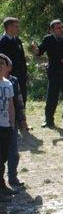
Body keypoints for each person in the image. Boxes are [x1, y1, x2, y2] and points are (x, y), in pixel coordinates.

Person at [30, 19, 63, 128]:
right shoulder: (48, 39)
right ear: (52, 30)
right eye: (58, 28)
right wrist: (35, 49)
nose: (61, 30)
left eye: (62, 27)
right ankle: (48, 120)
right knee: (52, 96)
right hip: (53, 72)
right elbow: (39, 52)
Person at [4, 56, 28, 188]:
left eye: (3, 64)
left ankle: (12, 177)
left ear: (9, 67)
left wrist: (23, 120)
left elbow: (18, 102)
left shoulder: (13, 81)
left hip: (11, 122)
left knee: (13, 153)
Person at [0, 18, 27, 106]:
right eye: (16, 26)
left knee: (22, 99)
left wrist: (25, 72)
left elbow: (22, 58)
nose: (18, 29)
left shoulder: (18, 41)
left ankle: (21, 119)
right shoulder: (2, 42)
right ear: (9, 27)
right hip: (8, 76)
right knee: (11, 101)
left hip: (21, 76)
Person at [0, 53, 16, 197]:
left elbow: (11, 105)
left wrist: (12, 123)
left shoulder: (8, 83)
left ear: (6, 67)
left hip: (5, 125)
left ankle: (2, 184)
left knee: (3, 157)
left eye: (2, 64)